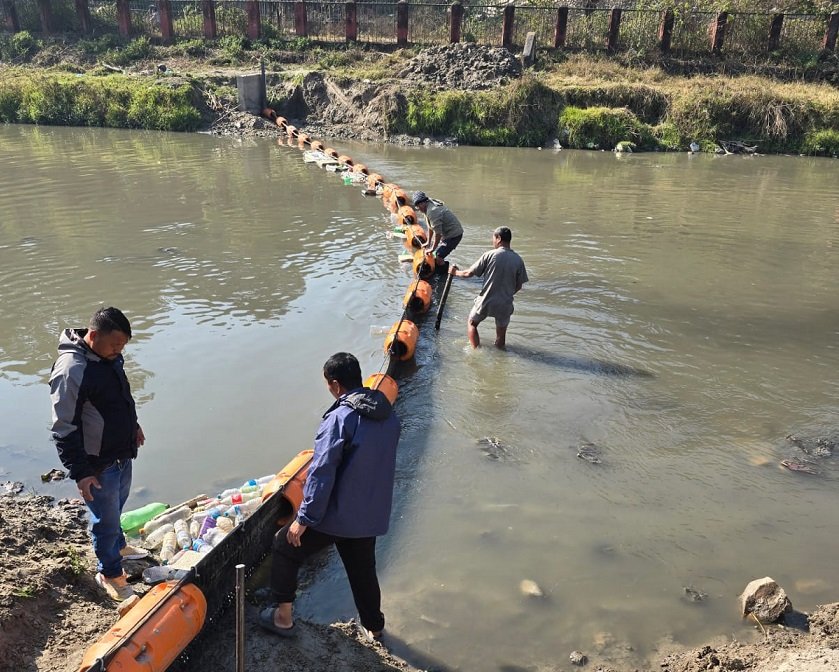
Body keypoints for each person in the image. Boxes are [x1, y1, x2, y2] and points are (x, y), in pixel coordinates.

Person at [260, 353, 401, 641]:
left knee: (285, 546)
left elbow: (322, 471)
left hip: (336, 514)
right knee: (363, 570)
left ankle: (283, 617)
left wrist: (305, 518)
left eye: (328, 384)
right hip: (371, 514)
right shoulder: (389, 417)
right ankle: (375, 627)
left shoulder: (340, 418)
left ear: (335, 385)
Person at [49, 307, 148, 602]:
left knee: (117, 507)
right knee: (104, 520)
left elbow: (119, 398)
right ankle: (110, 573)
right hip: (98, 463)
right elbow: (63, 428)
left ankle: (118, 546)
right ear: (93, 336)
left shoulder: (108, 357)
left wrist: (134, 426)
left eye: (123, 346)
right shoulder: (72, 370)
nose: (119, 351)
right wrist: (81, 472)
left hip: (121, 452)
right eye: (116, 345)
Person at [451, 226, 528, 349]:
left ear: (498, 238)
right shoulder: (518, 260)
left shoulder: (490, 255)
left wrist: (454, 273)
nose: (492, 241)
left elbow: (468, 274)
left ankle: (476, 351)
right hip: (505, 303)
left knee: (472, 323)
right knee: (501, 336)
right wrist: (506, 293)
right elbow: (519, 286)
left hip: (486, 300)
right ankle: (499, 355)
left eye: (493, 238)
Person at [412, 191, 464, 272]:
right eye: (417, 205)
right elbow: (430, 227)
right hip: (447, 234)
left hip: (454, 235)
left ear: (425, 201)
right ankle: (441, 267)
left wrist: (432, 248)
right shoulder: (426, 208)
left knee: (438, 257)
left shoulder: (432, 211)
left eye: (420, 204)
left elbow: (438, 233)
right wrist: (428, 242)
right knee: (437, 252)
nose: (418, 207)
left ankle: (447, 274)